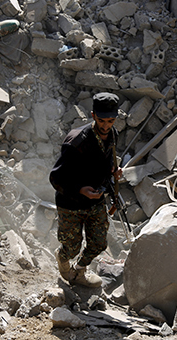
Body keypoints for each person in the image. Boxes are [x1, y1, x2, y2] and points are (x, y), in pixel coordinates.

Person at [49, 92, 122, 288]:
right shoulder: (77, 141)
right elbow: (56, 178)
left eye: (111, 120)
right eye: (101, 120)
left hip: (96, 201)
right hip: (71, 203)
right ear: (92, 115)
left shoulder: (113, 135)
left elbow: (105, 162)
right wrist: (81, 190)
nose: (106, 126)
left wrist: (113, 172)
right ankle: (63, 258)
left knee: (99, 243)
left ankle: (79, 271)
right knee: (71, 248)